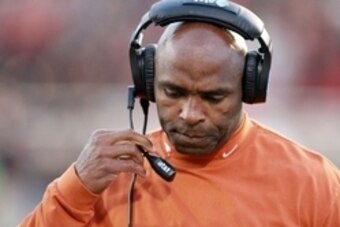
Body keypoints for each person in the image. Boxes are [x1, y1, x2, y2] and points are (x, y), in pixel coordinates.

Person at [20, 1, 339, 226]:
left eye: (213, 97)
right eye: (173, 92)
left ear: (248, 88)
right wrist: (73, 188)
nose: (189, 113)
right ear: (148, 82)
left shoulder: (312, 183)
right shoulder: (106, 178)